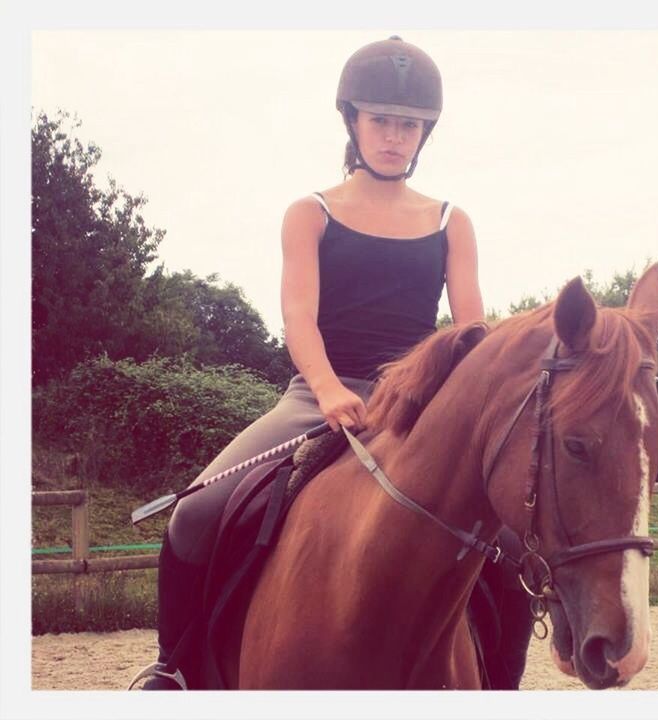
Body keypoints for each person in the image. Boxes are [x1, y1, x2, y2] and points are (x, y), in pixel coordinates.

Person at [133, 35, 531, 691]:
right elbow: (298, 317)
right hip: (318, 394)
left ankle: (503, 686)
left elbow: (470, 334)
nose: (395, 137)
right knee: (196, 514)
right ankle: (171, 671)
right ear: (352, 120)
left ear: (425, 132)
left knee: (508, 549)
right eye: (382, 121)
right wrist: (325, 390)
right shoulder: (310, 213)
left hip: (416, 406)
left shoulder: (450, 222)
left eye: (408, 125)